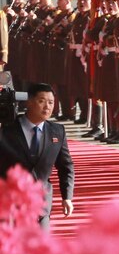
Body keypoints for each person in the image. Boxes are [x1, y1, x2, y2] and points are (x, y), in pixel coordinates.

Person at [0, 83, 74, 229]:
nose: (47, 106)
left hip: (41, 205)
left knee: (40, 249)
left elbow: (65, 166)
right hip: (10, 205)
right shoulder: (7, 130)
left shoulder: (57, 131)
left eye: (51, 102)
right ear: (29, 102)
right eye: (41, 101)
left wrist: (67, 197)